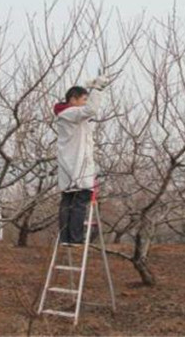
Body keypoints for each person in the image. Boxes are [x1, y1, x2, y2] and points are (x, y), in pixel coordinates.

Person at [54, 75, 112, 245]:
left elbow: (88, 115)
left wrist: (93, 89)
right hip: (76, 166)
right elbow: (91, 110)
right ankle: (75, 238)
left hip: (70, 166)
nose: (86, 102)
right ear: (73, 100)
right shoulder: (71, 113)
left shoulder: (68, 114)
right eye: (84, 99)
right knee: (79, 201)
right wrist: (98, 89)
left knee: (68, 201)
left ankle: (66, 237)